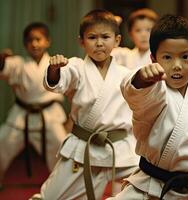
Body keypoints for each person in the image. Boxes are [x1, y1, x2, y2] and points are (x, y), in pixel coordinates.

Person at [110, 14, 188, 200]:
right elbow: (133, 92)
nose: (177, 66)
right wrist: (141, 78)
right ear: (153, 59)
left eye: (186, 57)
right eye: (167, 57)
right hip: (151, 185)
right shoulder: (154, 93)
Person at [31, 9, 139, 200]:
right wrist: (55, 70)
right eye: (92, 37)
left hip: (120, 148)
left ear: (117, 40)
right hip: (83, 146)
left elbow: (141, 93)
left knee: (149, 184)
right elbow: (58, 81)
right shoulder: (76, 66)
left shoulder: (125, 73)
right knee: (50, 196)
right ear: (81, 41)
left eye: (105, 37)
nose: (99, 43)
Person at [0, 22, 67, 189]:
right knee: (2, 144)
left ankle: (62, 187)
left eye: (39, 39)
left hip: (49, 116)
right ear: (25, 44)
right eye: (30, 40)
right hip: (21, 116)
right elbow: (4, 67)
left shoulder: (56, 64)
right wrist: (2, 59)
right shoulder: (18, 63)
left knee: (64, 150)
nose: (35, 44)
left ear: (47, 42)